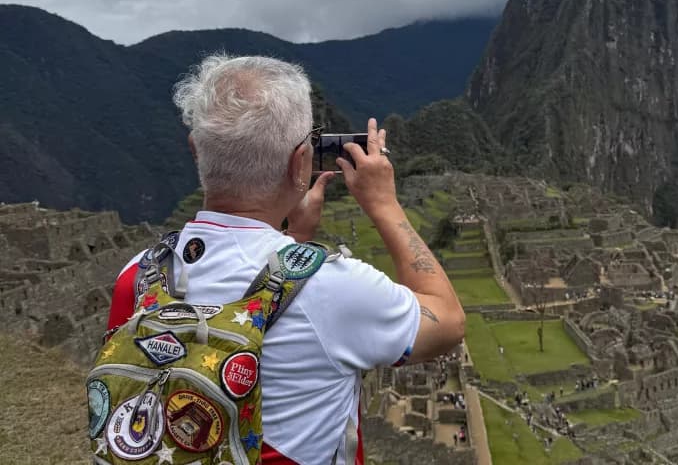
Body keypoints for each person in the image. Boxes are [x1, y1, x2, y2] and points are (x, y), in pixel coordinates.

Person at [104, 55, 465, 465]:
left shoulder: (137, 276)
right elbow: (448, 321)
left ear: (195, 152)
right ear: (301, 163)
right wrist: (383, 204)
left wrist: (292, 239)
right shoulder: (330, 288)